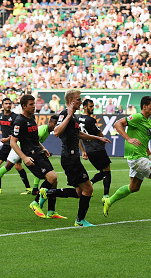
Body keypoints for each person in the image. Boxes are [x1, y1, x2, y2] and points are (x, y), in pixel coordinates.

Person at [103, 96, 151, 218]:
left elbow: (144, 141)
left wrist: (150, 155)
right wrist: (128, 139)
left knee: (133, 187)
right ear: (144, 107)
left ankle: (109, 201)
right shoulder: (137, 117)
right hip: (137, 158)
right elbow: (117, 124)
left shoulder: (148, 121)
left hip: (140, 157)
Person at [43, 89, 111, 227]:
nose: (81, 102)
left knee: (80, 192)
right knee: (89, 190)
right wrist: (68, 115)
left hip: (72, 157)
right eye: (78, 99)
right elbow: (56, 132)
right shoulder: (65, 114)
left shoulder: (73, 117)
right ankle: (80, 220)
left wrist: (97, 138)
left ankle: (48, 192)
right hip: (69, 158)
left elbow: (78, 134)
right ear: (71, 101)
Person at [10, 95, 64, 219]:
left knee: (54, 181)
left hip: (38, 152)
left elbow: (34, 139)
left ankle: (51, 211)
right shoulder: (19, 121)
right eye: (31, 104)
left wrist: (43, 148)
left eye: (34, 104)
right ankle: (35, 202)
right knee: (52, 177)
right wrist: (24, 157)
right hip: (31, 155)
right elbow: (13, 142)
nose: (34, 106)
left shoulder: (32, 118)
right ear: (24, 106)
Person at [0, 115, 58, 198]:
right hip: (20, 147)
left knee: (28, 165)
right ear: (50, 123)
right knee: (8, 166)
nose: (56, 126)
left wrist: (43, 149)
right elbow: (32, 140)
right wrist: (43, 148)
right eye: (55, 124)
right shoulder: (43, 130)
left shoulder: (46, 130)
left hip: (29, 149)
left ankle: (34, 188)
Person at [79, 99, 112, 198]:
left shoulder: (78, 119)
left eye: (93, 106)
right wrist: (103, 147)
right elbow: (101, 136)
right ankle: (106, 196)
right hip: (97, 148)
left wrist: (83, 151)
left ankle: (91, 183)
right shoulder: (91, 120)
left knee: (102, 172)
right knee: (107, 172)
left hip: (89, 150)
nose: (93, 108)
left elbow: (78, 137)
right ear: (85, 107)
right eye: (90, 106)